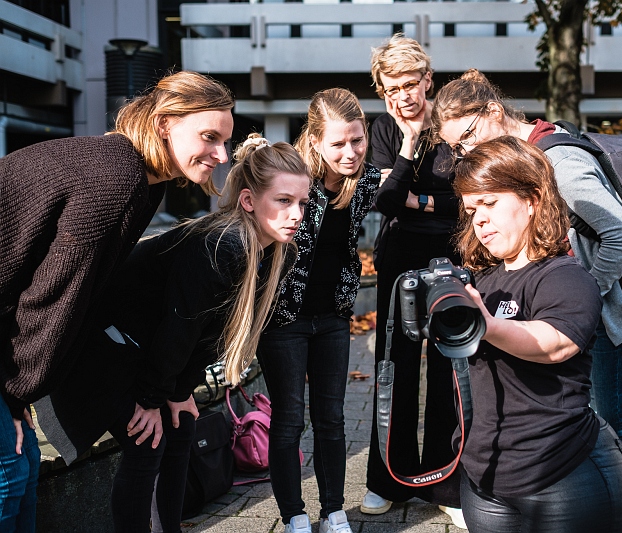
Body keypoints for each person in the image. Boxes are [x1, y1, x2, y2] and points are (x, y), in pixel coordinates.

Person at [37, 134, 309, 532]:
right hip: (96, 346)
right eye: (283, 201)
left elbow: (206, 335)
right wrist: (152, 398)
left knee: (181, 431)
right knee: (147, 441)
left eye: (302, 202)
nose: (296, 213)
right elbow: (179, 328)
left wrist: (180, 392)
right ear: (249, 201)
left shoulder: (277, 254)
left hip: (143, 350)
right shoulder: (222, 247)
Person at [0, 70, 234, 531]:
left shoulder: (143, 181)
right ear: (166, 122)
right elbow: (53, 298)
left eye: (225, 142)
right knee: (8, 474)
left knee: (22, 473)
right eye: (209, 136)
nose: (221, 155)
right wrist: (15, 394)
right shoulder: (115, 178)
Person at [432, 69, 622, 532]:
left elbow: (621, 234)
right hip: (490, 479)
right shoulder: (489, 268)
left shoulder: (557, 160)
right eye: (457, 147)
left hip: (620, 308)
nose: (466, 152)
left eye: (469, 136)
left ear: (494, 112)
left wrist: (581, 295)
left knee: (620, 422)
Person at [453, 135, 622, 532]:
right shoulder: (483, 281)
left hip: (563, 474)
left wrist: (486, 324)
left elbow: (556, 343)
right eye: (471, 209)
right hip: (486, 476)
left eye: (489, 203)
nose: (479, 219)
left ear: (532, 200)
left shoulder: (566, 277)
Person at [256, 88, 380, 533]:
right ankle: (294, 515)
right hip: (282, 319)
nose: (350, 152)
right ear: (315, 140)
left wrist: (406, 140)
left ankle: (333, 512)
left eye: (358, 140)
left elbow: (401, 190)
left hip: (333, 314)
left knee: (331, 416)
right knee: (289, 419)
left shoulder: (362, 180)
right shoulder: (291, 179)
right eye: (338, 143)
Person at [363, 34, 465, 528]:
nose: (403, 96)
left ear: (428, 80)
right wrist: (406, 144)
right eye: (391, 89)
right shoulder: (382, 130)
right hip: (400, 257)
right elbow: (382, 201)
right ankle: (387, 481)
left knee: (450, 365)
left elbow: (466, 199)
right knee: (394, 367)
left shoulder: (452, 127)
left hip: (453, 256)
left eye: (410, 84)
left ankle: (445, 482)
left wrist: (415, 198)